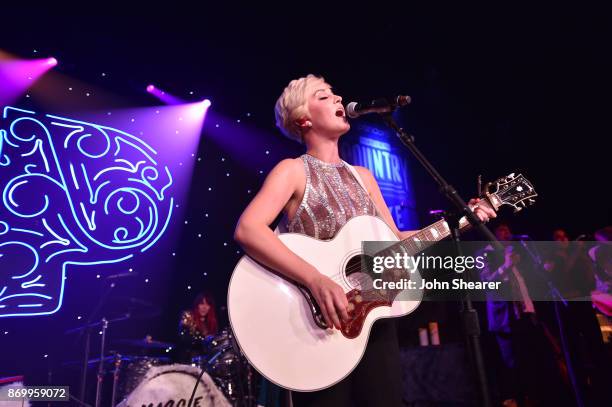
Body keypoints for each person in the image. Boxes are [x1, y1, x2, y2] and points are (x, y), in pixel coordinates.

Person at [233, 74, 495, 406]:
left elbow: (395, 239)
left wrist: (464, 219)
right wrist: (316, 280)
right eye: (324, 96)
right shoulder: (292, 171)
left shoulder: (364, 177)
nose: (338, 98)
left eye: (335, 93)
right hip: (320, 326)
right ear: (303, 119)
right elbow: (248, 229)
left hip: (373, 319)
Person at [479, 223, 569, 406]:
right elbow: (486, 282)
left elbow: (522, 283)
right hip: (505, 316)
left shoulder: (514, 252)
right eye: (502, 230)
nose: (507, 234)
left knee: (534, 360)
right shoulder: (484, 253)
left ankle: (540, 397)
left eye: (508, 230)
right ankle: (516, 398)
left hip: (526, 312)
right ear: (492, 233)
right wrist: (506, 265)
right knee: (513, 362)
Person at [177, 291, 219, 363]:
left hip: (207, 360)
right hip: (189, 358)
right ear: (197, 305)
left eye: (208, 304)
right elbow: (184, 339)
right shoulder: (188, 317)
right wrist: (205, 340)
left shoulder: (212, 322)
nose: (204, 307)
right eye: (202, 303)